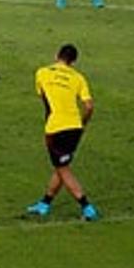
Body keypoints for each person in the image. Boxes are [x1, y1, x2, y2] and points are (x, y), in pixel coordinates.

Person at [26, 44, 98, 221]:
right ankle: (45, 203)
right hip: (75, 127)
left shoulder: (42, 72)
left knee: (63, 168)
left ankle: (87, 207)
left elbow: (45, 99)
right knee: (61, 165)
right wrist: (83, 123)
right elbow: (89, 105)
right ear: (73, 62)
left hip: (55, 127)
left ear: (56, 54)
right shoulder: (78, 78)